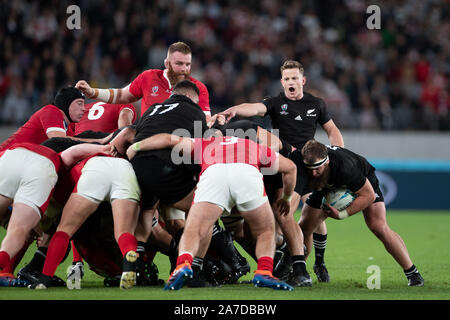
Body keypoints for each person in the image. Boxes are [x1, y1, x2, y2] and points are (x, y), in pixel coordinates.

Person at [219, 60, 344, 285]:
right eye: (286, 79)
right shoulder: (277, 102)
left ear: (302, 80)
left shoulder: (316, 104)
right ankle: (287, 263)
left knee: (289, 213)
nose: (290, 82)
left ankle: (303, 266)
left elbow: (332, 130)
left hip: (303, 164)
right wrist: (235, 110)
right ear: (282, 82)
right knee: (268, 222)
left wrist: (336, 153)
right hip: (276, 164)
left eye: (294, 78)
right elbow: (255, 108)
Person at [126, 133, 297, 291]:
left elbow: (168, 140)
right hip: (245, 172)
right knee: (265, 231)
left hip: (214, 174)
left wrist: (137, 146)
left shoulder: (205, 143)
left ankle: (183, 264)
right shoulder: (252, 145)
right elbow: (290, 167)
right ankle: (264, 271)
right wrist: (287, 198)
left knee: (194, 229)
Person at [298, 140, 424, 287]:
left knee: (378, 226)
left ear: (326, 162)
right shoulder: (302, 164)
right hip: (325, 186)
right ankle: (299, 272)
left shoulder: (346, 168)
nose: (313, 173)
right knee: (304, 228)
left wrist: (341, 214)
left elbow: (368, 195)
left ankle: (413, 274)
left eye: (317, 168)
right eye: (310, 169)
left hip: (364, 183)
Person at [30, 141, 142, 290]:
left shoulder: (68, 171)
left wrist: (44, 228)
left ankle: (45, 279)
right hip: (125, 170)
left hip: (95, 169)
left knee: (64, 230)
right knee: (124, 232)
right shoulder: (119, 156)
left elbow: (54, 208)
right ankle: (128, 260)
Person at [0, 142, 113, 278]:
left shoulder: (19, 148)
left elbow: (74, 151)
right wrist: (103, 148)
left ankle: (6, 271)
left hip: (9, 156)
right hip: (42, 167)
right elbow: (74, 152)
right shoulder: (55, 157)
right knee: (18, 231)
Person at [75, 41, 211, 120]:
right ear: (167, 64)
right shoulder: (149, 77)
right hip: (147, 141)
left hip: (180, 144)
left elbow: (205, 122)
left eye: (187, 64)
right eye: (179, 64)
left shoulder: (199, 88)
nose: (184, 69)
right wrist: (92, 92)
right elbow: (122, 95)